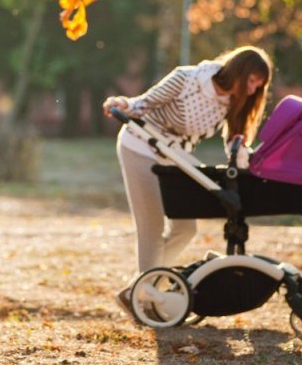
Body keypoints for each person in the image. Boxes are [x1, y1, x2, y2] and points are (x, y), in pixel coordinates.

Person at [101, 45, 273, 319]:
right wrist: (121, 103)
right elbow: (142, 103)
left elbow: (235, 143)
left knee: (185, 227)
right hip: (140, 146)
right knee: (152, 227)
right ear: (239, 71)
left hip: (175, 156)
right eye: (252, 81)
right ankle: (142, 303)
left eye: (259, 86)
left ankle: (138, 289)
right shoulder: (188, 79)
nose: (253, 90)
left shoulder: (233, 101)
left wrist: (247, 164)